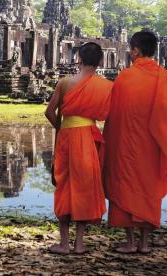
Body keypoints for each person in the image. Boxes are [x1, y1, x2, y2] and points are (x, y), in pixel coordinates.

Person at [102, 31, 167, 253]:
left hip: (126, 144)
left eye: (131, 49)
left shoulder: (125, 77)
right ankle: (144, 243)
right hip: (153, 146)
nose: (130, 53)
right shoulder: (165, 78)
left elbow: (115, 115)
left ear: (136, 50)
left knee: (125, 187)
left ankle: (130, 242)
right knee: (147, 189)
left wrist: (109, 142)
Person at [44, 42, 113, 254]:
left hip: (67, 136)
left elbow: (49, 112)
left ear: (79, 59)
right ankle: (79, 244)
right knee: (84, 186)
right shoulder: (106, 86)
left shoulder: (65, 83)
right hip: (88, 137)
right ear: (100, 61)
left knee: (64, 184)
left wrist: (63, 127)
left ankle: (64, 243)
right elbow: (108, 114)